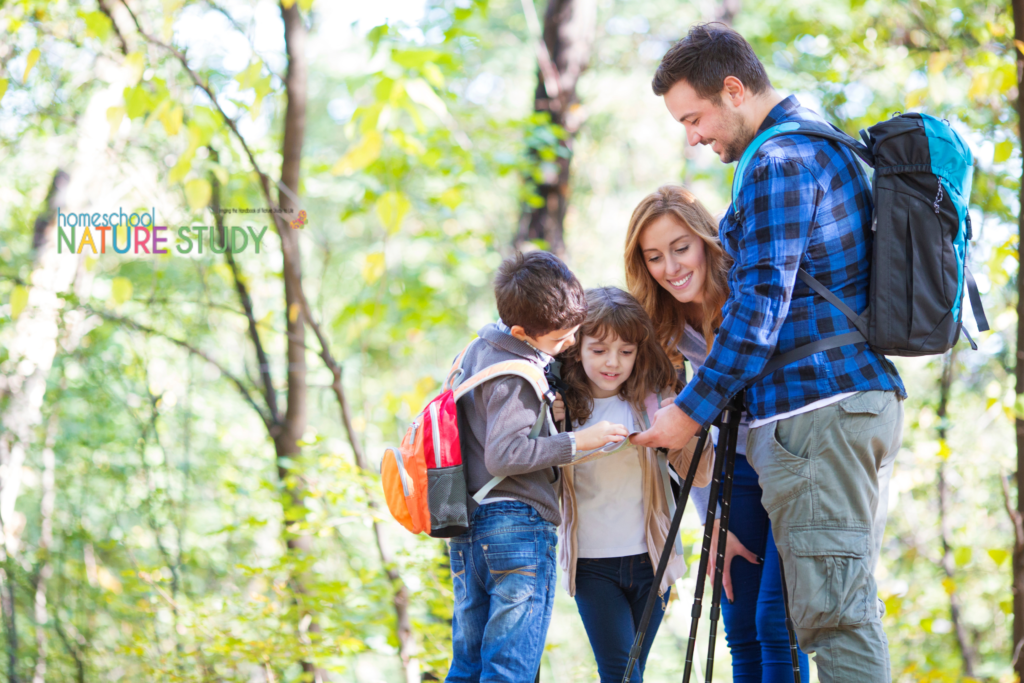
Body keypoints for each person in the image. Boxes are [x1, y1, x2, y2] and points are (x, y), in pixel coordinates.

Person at [633, 24, 907, 683]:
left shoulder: (778, 161)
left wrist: (687, 413)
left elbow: (758, 312)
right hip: (836, 410)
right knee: (827, 613)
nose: (693, 136)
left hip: (821, 413)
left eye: (694, 117)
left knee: (836, 621)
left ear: (734, 89)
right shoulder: (818, 142)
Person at [625, 185, 809, 682]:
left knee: (779, 620)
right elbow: (681, 438)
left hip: (794, 456)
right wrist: (715, 524)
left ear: (707, 241)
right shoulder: (663, 326)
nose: (671, 268)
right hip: (734, 471)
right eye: (655, 256)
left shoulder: (749, 294)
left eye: (680, 248)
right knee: (741, 622)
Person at [446, 250, 629, 683]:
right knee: (510, 670)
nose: (568, 345)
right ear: (521, 332)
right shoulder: (516, 373)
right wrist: (576, 441)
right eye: (558, 339)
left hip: (466, 526)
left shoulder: (474, 353)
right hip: (515, 526)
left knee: (468, 665)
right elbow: (505, 455)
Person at [552, 286, 713, 683]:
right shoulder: (560, 407)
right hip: (591, 564)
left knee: (631, 672)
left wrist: (685, 425)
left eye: (626, 351)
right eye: (600, 350)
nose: (613, 362)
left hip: (652, 559)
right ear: (576, 348)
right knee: (621, 673)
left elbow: (702, 472)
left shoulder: (654, 400)